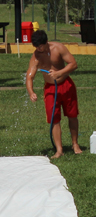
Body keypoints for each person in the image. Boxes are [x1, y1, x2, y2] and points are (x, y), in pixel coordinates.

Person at [26, 30, 81, 158]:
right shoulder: (36, 56)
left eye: (40, 46)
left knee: (72, 115)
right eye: (36, 47)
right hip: (50, 89)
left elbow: (73, 64)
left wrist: (59, 73)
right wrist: (31, 92)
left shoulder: (58, 48)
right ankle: (59, 149)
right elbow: (30, 76)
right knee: (54, 119)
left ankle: (75, 144)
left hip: (66, 85)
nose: (38, 49)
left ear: (46, 43)